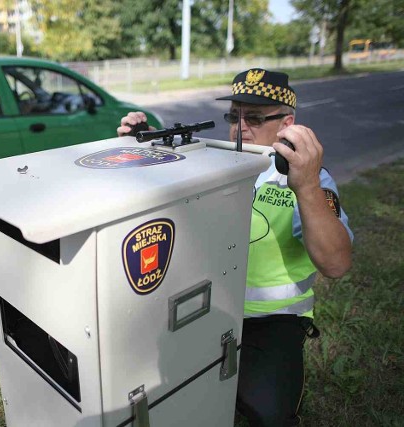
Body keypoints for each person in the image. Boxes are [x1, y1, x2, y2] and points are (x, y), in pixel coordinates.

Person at [117, 69, 353, 426]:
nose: (240, 127)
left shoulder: (310, 179)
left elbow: (336, 264)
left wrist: (305, 187)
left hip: (271, 319)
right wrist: (147, 142)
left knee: (266, 410)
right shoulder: (217, 161)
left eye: (255, 118)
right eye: (234, 116)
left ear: (287, 122)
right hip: (207, 305)